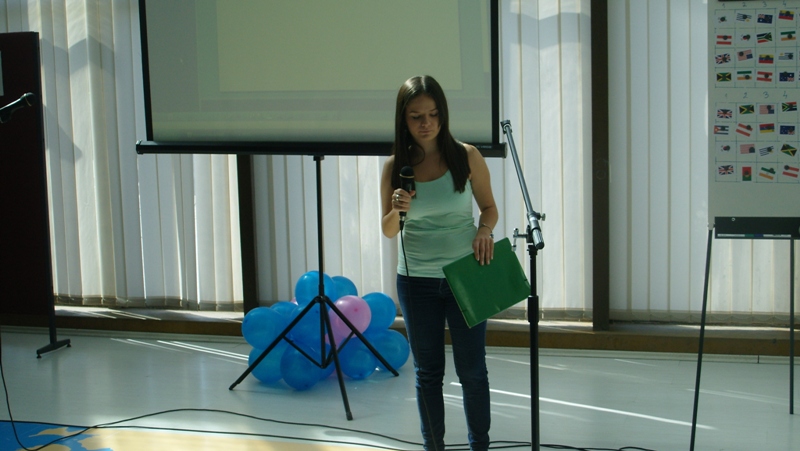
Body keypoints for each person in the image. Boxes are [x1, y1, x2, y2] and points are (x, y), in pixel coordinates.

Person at [380, 75, 498, 451]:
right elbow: (388, 230)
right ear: (403, 120)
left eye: (433, 114)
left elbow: (489, 209)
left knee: (472, 371)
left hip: (466, 275)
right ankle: (434, 446)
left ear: (443, 114)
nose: (426, 123)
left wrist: (484, 231)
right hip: (416, 281)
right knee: (428, 373)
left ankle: (480, 445)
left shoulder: (466, 156)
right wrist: (398, 210)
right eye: (416, 116)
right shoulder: (395, 167)